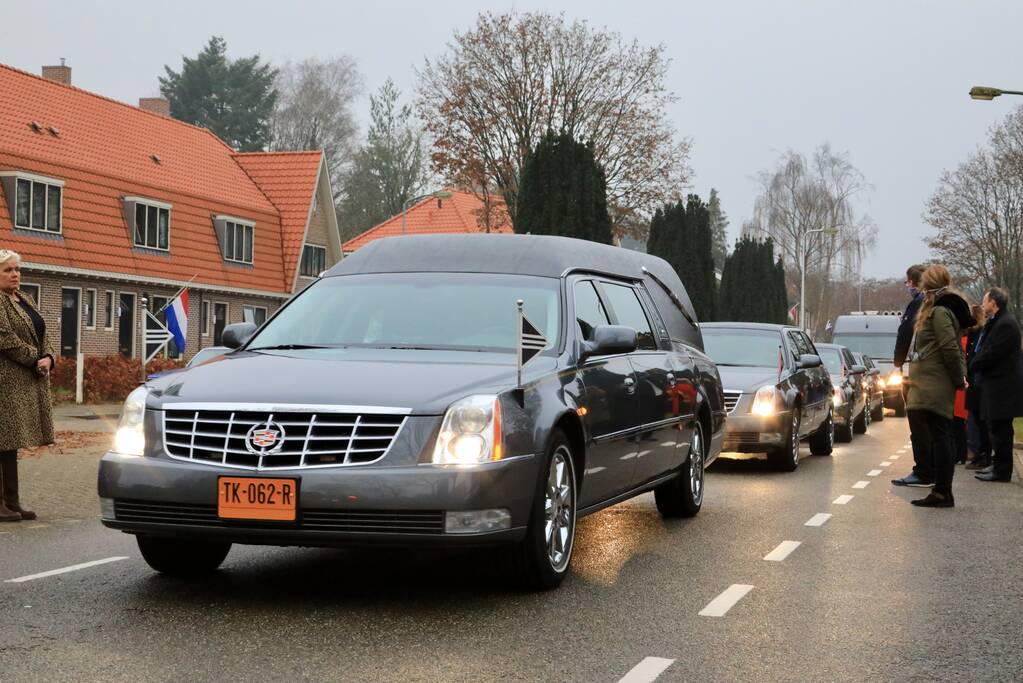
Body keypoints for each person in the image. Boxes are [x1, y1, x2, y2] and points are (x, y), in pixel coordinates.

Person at [903, 265, 971, 508]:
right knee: (938, 434)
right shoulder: (935, 307)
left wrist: (957, 378)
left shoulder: (940, 311)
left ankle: (943, 492)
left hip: (936, 383)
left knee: (941, 434)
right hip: (930, 382)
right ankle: (940, 490)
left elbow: (950, 348)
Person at [0, 249, 54, 521]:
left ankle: (12, 501)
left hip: (24, 381)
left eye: (17, 269)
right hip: (4, 381)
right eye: (8, 270)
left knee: (10, 443)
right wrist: (36, 360)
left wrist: (49, 358)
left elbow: (43, 332)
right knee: (1, 441)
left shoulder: (25, 299)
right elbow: (6, 339)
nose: (15, 274)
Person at [969, 287, 1023, 483]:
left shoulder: (1006, 324)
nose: (983, 305)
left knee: (1001, 429)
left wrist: (975, 364)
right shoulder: (997, 322)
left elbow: (992, 352)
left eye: (985, 301)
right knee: (995, 426)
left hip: (1003, 386)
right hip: (997, 385)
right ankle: (998, 463)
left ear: (994, 303)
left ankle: (1002, 469)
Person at [892, 264, 931, 487]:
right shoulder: (927, 303)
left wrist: (898, 362)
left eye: (908, 282)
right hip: (924, 370)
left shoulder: (917, 304)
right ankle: (928, 469)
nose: (907, 286)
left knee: (918, 423)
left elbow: (905, 335)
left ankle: (923, 471)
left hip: (914, 371)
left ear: (914, 282)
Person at [963, 304, 991, 470]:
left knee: (977, 418)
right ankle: (980, 453)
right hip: (975, 378)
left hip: (977, 379)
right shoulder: (980, 331)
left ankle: (980, 453)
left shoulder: (976, 332)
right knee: (976, 417)